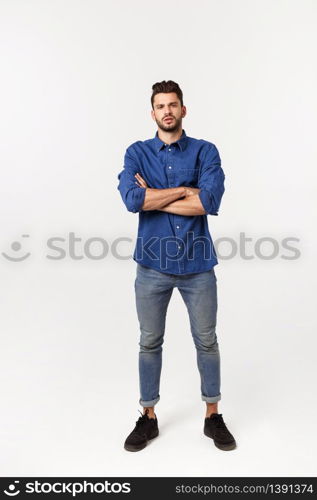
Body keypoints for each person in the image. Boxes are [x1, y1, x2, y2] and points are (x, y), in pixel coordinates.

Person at [117, 80, 236, 452]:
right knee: (149, 342)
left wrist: (158, 196)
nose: (167, 110)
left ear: (183, 110)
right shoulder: (137, 152)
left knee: (207, 341)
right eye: (160, 105)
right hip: (151, 266)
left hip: (198, 266)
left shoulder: (205, 151)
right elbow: (133, 199)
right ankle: (148, 417)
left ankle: (212, 415)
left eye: (173, 104)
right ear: (152, 112)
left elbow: (208, 201)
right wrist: (186, 190)